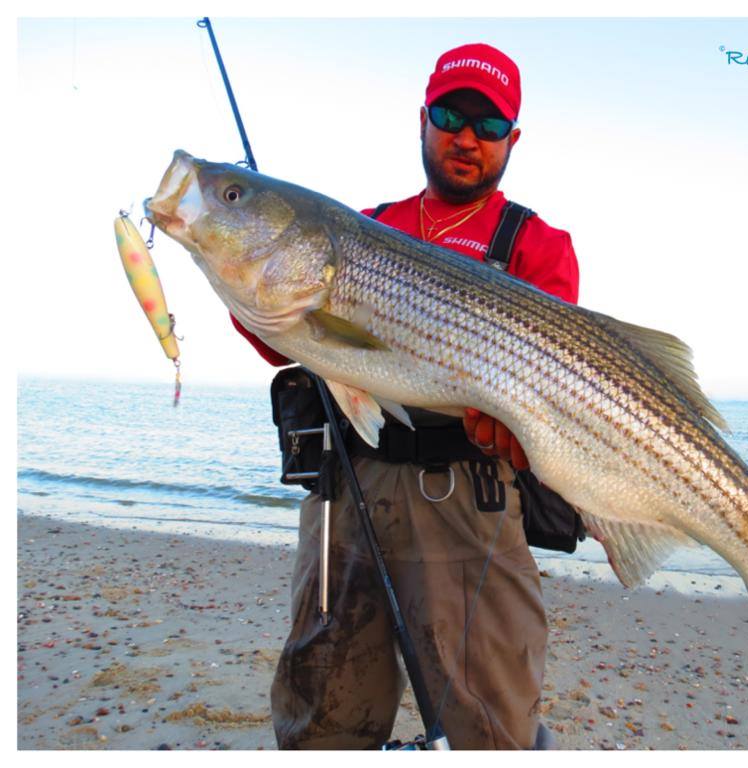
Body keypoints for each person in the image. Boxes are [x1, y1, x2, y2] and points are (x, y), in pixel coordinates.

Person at [232, 42, 579, 750]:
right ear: (422, 120)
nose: (467, 138)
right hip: (349, 486)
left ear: (513, 139)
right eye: (452, 115)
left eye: (489, 126)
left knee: (491, 720)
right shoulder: (364, 225)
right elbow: (284, 342)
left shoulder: (538, 244)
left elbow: (549, 391)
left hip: (468, 499)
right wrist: (236, 261)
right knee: (322, 709)